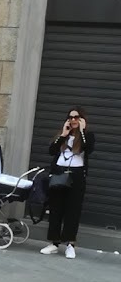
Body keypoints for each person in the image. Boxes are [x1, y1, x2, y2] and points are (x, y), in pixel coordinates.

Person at [40, 107, 95, 259]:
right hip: (59, 174)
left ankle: (70, 244)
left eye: (77, 117)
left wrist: (82, 131)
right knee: (56, 209)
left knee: (73, 211)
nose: (73, 120)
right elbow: (51, 151)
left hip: (76, 177)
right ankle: (54, 243)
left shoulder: (88, 136)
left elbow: (87, 149)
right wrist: (63, 135)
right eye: (70, 117)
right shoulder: (63, 135)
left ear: (82, 119)